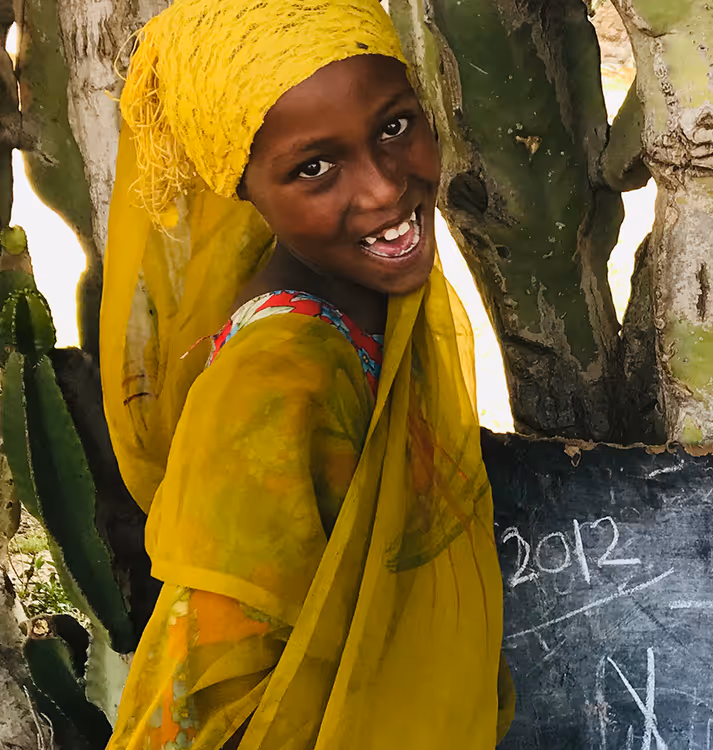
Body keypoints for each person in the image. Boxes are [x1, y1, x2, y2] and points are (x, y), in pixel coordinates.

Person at [97, 1, 513, 747]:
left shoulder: (367, 308)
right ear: (243, 186)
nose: (384, 189)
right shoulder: (277, 379)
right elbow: (194, 694)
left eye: (393, 127)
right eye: (314, 167)